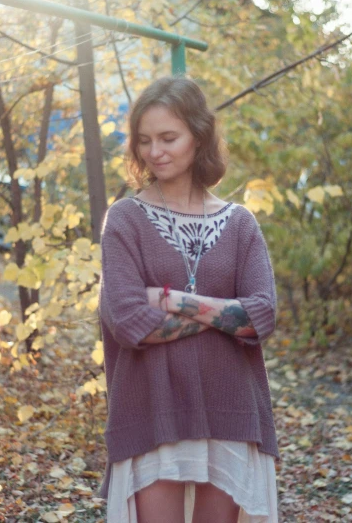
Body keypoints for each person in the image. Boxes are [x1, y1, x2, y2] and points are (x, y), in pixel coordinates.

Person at [97, 75, 280, 523]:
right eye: (144, 140)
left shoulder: (240, 224)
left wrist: (171, 300)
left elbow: (261, 316)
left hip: (231, 410)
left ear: (198, 137)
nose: (154, 152)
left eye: (168, 138)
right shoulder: (124, 220)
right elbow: (128, 321)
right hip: (152, 410)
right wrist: (224, 313)